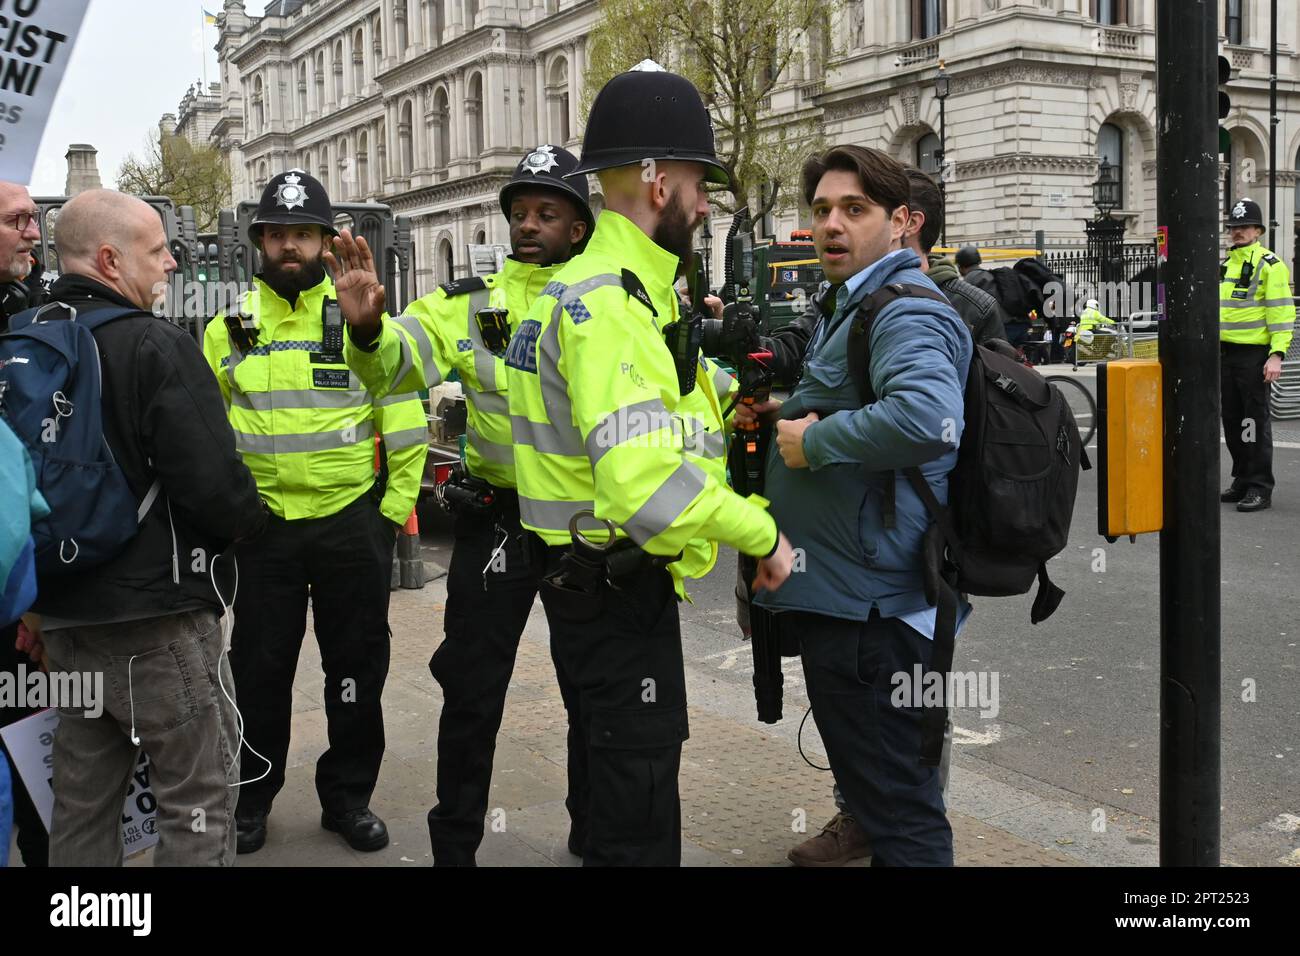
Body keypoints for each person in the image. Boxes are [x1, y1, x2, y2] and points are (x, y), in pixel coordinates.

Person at [502, 61, 794, 866]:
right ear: (660, 179)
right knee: (638, 810)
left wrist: (737, 394)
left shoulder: (613, 288)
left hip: (585, 585)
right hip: (614, 592)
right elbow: (639, 479)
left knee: (606, 787)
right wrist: (758, 532)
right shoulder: (610, 303)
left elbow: (659, 406)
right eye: (701, 183)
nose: (706, 204)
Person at [332, 144, 595, 865]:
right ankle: (455, 845)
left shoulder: (607, 299)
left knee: (588, 689)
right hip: (500, 522)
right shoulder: (470, 304)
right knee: (473, 690)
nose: (529, 224)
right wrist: (365, 329)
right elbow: (397, 362)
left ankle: (593, 826)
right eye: (519, 213)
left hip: (583, 528)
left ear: (579, 226)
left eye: (548, 212)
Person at [21, 189, 266, 866]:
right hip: (157, 623)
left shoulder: (23, 342)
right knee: (196, 802)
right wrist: (251, 525)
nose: (170, 267)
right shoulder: (155, 344)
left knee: (80, 805)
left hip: (62, 623)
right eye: (157, 251)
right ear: (109, 259)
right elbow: (215, 488)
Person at [201, 169, 429, 854]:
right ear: (260, 243)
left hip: (349, 525)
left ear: (326, 242)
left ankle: (348, 798)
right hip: (264, 531)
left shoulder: (357, 317)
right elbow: (208, 429)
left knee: (356, 670)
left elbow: (404, 415)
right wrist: (230, 515)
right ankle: (252, 800)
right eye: (278, 234)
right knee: (260, 675)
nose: (290, 245)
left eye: (303, 233)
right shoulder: (234, 323)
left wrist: (388, 516)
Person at [755, 145, 970, 867]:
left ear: (903, 222)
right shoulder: (855, 302)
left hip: (876, 610)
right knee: (887, 796)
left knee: (898, 809)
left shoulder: (900, 309)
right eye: (821, 210)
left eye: (855, 209)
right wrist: (787, 412)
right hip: (858, 597)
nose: (832, 225)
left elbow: (927, 418)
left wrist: (812, 446)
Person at [0, 179, 49, 867]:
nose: (34, 234)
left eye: (36, 220)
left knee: (41, 755)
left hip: (26, 600)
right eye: (18, 221)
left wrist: (41, 602)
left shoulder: (44, 318)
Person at [1219, 198, 1295, 513]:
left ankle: (1260, 486)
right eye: (1234, 227)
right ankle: (1243, 477)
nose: (1238, 232)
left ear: (1258, 230)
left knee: (1254, 421)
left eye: (1244, 227)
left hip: (1254, 354)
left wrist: (1276, 354)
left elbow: (1280, 312)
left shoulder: (1270, 265)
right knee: (1232, 420)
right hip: (1225, 352)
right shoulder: (1226, 264)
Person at [903, 168, 1007, 346]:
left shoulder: (976, 306)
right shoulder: (850, 291)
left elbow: (998, 371)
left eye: (857, 210)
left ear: (907, 222)